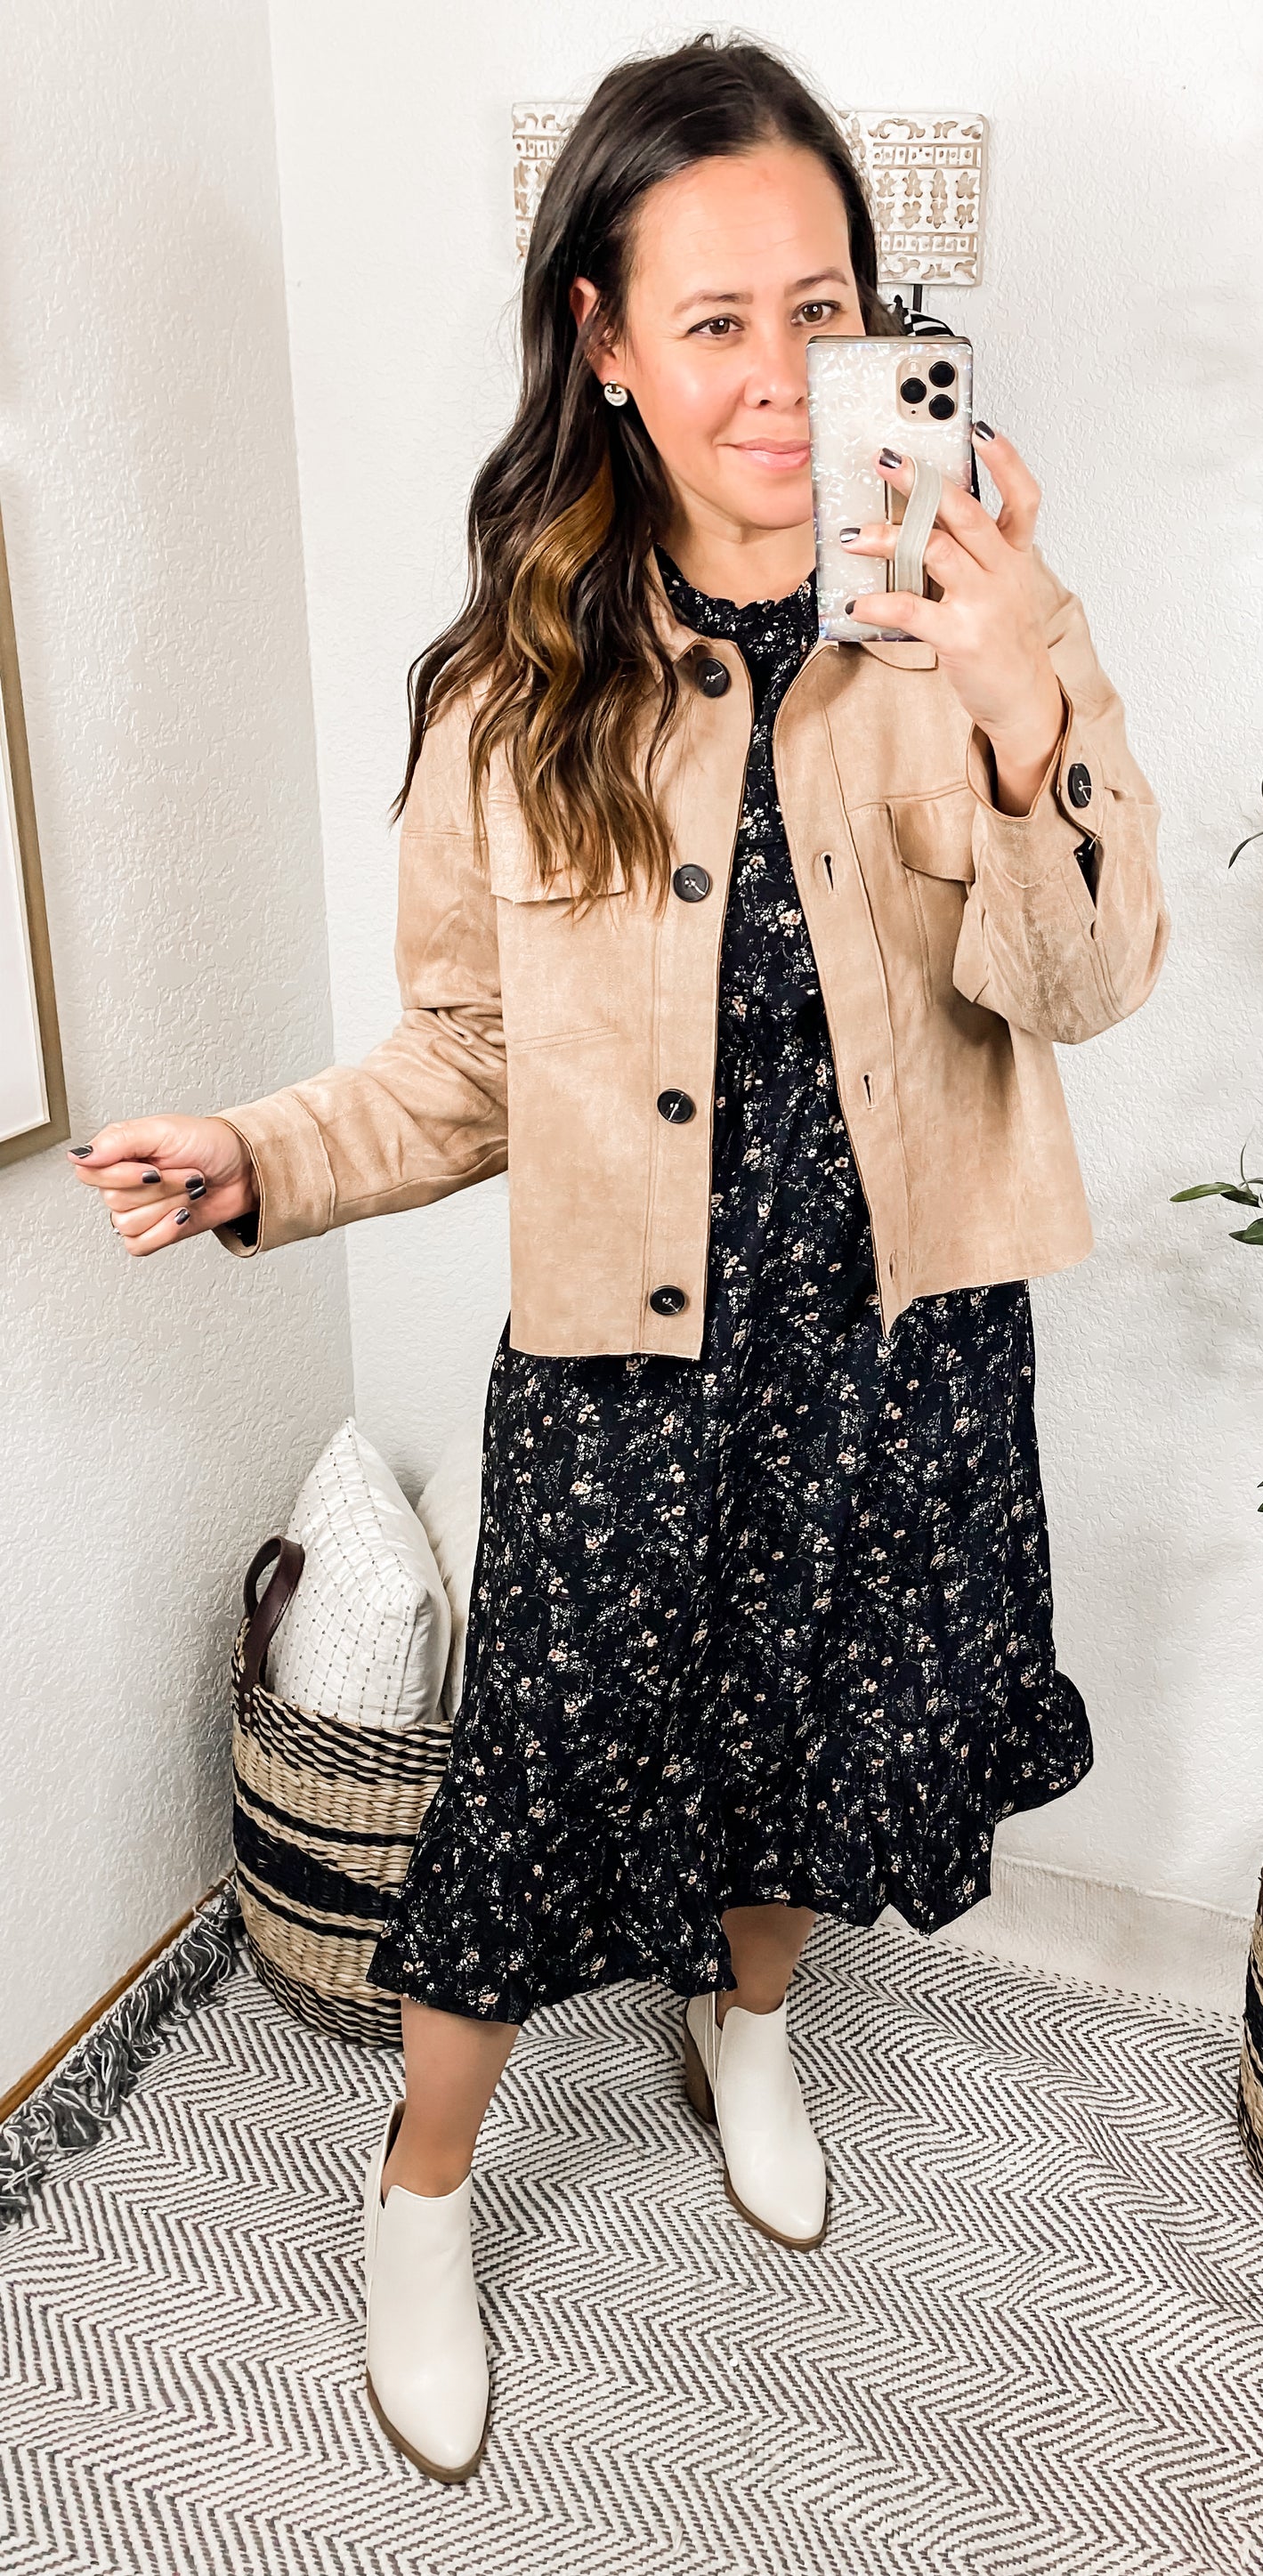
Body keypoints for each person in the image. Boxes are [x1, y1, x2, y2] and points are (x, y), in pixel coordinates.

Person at [65, 32, 1170, 2484]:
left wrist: (1017, 707)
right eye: (715, 322)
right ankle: (423, 2185)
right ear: (603, 339)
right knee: (535, 1797)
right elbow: (463, 1065)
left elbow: (1090, 982)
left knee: (810, 1747)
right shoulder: (515, 689)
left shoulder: (978, 616)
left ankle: (748, 2026)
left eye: (824, 307)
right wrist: (257, 1157)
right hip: (624, 1366)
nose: (781, 377)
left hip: (903, 1347)